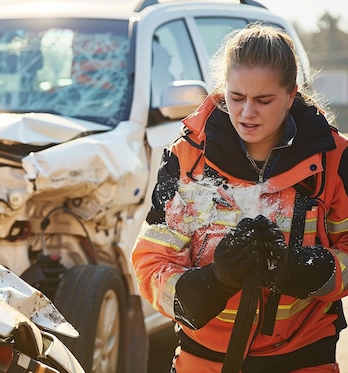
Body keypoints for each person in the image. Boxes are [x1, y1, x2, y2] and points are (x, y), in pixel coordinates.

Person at [132, 23, 348, 372]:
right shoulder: (187, 158)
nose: (247, 113)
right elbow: (151, 264)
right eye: (236, 98)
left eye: (263, 100)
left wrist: (302, 270)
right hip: (203, 359)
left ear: (291, 95)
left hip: (304, 357)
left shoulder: (333, 158)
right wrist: (213, 282)